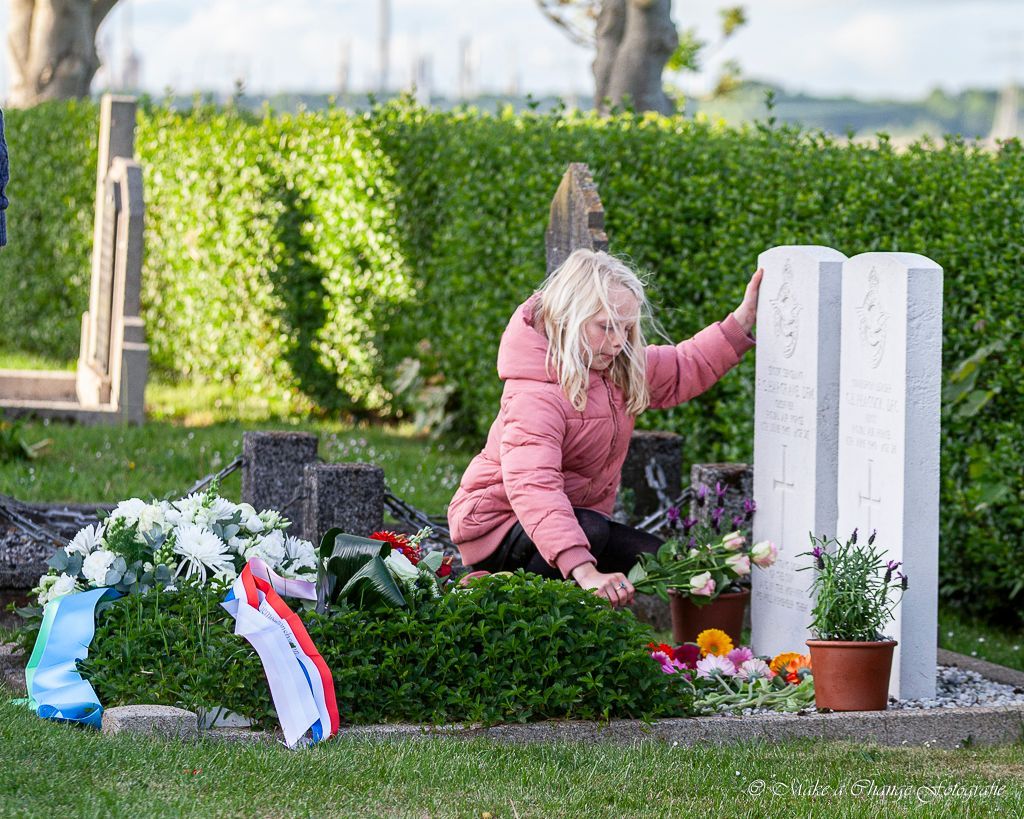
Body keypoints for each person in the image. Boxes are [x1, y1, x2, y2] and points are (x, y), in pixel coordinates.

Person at [448, 249, 762, 607]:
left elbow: (683, 366)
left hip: (571, 524)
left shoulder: (614, 366)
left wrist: (742, 321)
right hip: (499, 529)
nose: (618, 340)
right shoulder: (535, 395)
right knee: (590, 535)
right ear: (570, 317)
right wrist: (585, 572)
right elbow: (535, 488)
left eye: (627, 327)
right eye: (606, 326)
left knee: (667, 562)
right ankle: (498, 600)